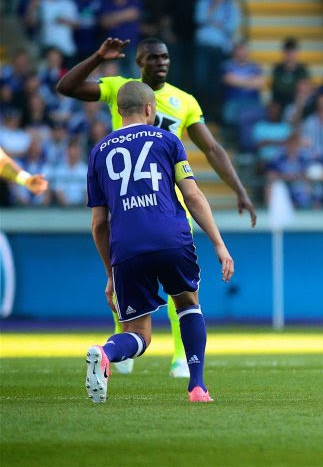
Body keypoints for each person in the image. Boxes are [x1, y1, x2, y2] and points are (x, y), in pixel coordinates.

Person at [57, 37, 256, 378]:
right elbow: (68, 86)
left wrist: (239, 188)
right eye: (153, 57)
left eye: (165, 57)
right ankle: (173, 366)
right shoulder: (122, 87)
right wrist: (98, 57)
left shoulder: (184, 101)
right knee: (185, 295)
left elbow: (212, 148)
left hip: (164, 206)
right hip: (144, 207)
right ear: (139, 62)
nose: (161, 63)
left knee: (142, 278)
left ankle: (176, 355)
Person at [85, 81, 233, 403]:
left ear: (119, 111)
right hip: (171, 238)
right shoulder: (168, 140)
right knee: (187, 303)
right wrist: (219, 244)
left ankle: (105, 351)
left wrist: (111, 273)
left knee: (138, 334)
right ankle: (196, 386)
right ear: (151, 109)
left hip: (126, 247)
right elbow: (192, 195)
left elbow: (99, 224)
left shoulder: (98, 152)